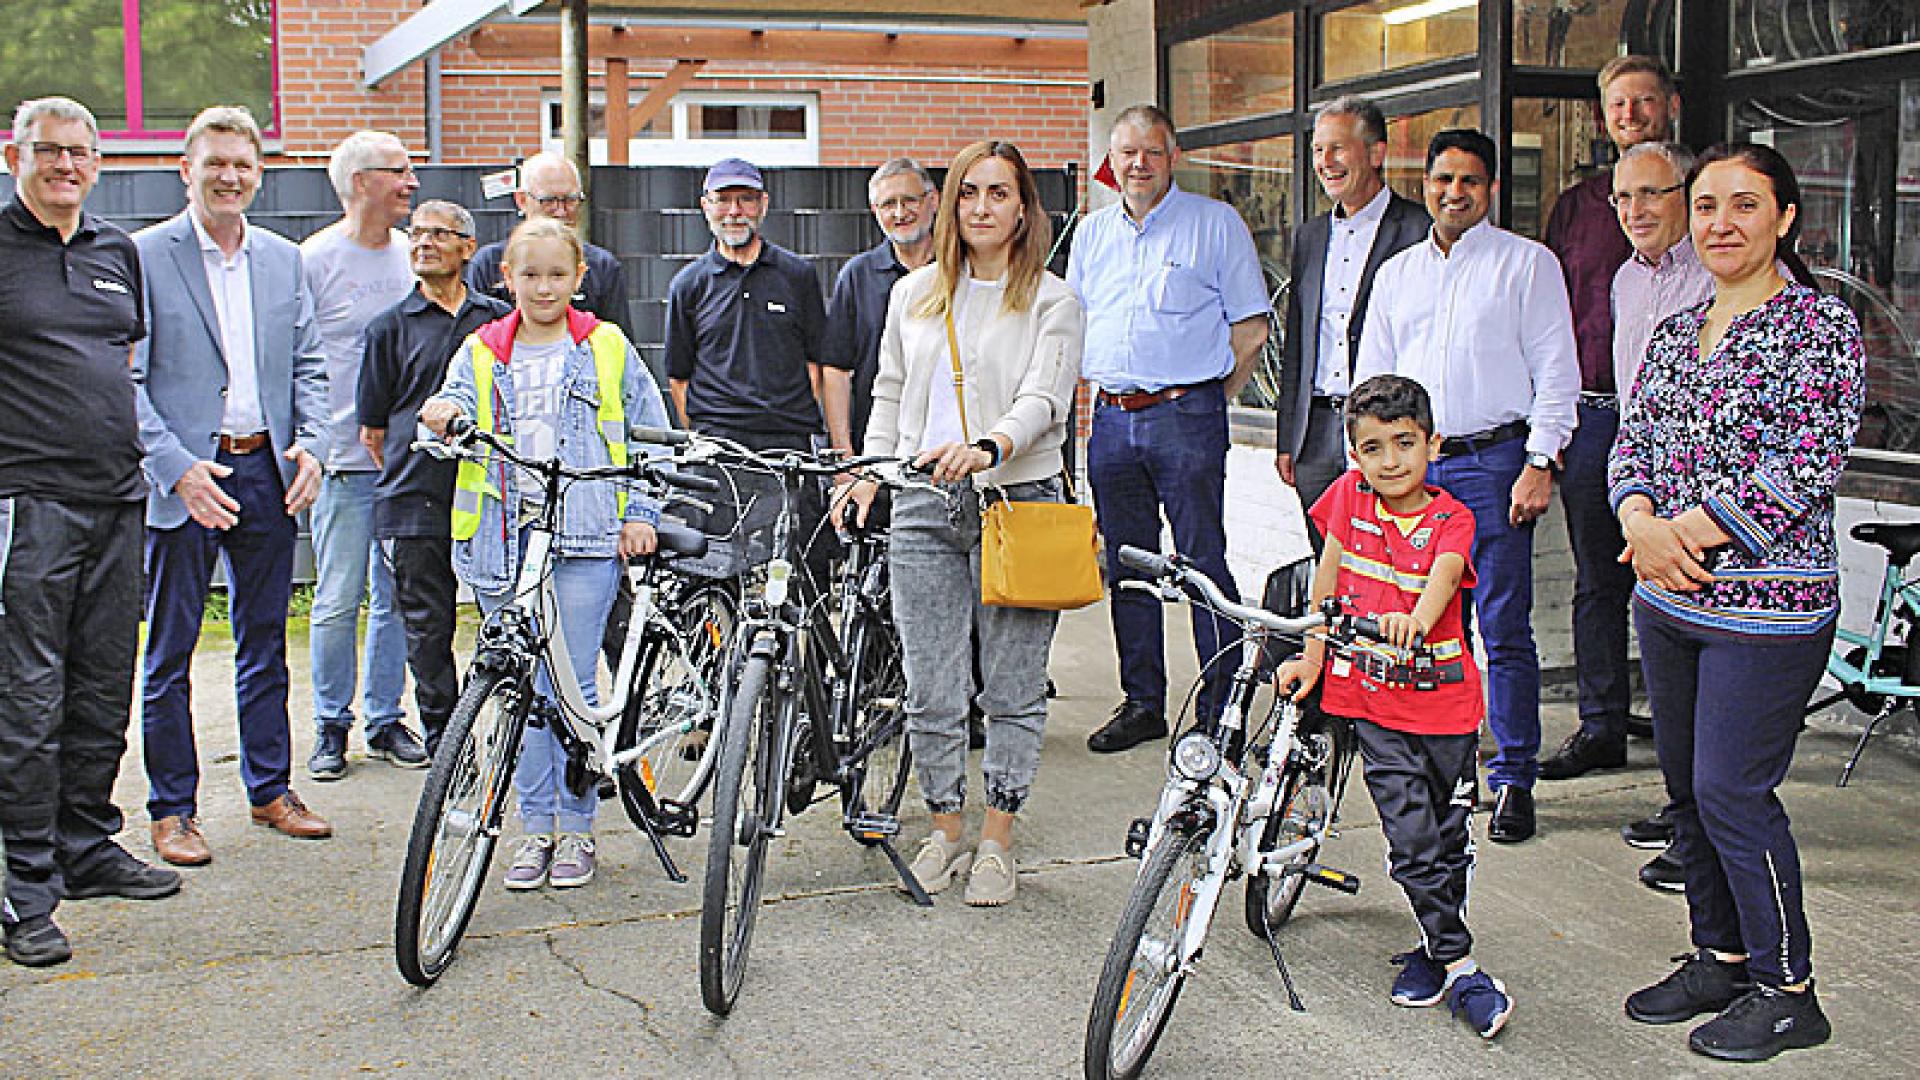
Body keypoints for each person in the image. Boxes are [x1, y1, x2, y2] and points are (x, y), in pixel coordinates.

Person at [1610, 143, 1862, 1063]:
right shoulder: (1678, 331)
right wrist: (1638, 519)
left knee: (1732, 793)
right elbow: (1631, 444)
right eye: (1707, 204)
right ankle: (1719, 956)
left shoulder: (1819, 330)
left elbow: (1803, 465)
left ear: (1784, 218)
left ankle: (1789, 988)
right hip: (1668, 600)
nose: (1719, 222)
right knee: (1684, 794)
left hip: (1769, 608)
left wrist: (1679, 536)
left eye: (1744, 205)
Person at [842, 140, 1082, 907]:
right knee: (930, 682)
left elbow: (1047, 398)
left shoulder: (1052, 299)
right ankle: (945, 826)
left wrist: (990, 447)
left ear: (1022, 208)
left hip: (1018, 501)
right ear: (953, 205)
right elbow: (886, 391)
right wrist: (871, 471)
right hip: (920, 501)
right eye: (970, 192)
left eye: (999, 193)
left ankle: (997, 838)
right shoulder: (913, 294)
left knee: (1011, 686)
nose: (982, 206)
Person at [421, 217, 670, 892]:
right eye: (529, 274)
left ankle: (578, 828)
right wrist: (439, 416)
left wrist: (642, 515)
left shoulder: (607, 347)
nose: (543, 286)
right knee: (522, 692)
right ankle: (535, 828)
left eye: (557, 273)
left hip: (586, 536)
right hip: (503, 543)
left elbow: (650, 436)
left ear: (579, 278)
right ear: (506, 278)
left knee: (572, 690)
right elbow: (449, 408)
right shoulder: (482, 349)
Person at [1354, 129, 1579, 844]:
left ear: (1490, 189)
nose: (1455, 193)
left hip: (1494, 465)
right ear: (1425, 182)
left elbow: (1556, 371)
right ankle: (1446, 769)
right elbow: (1373, 377)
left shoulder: (1527, 265)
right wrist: (1373, 467)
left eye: (1470, 181)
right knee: (1423, 625)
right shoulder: (1397, 275)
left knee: (1503, 629)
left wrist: (1539, 462)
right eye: (1443, 178)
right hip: (1412, 473)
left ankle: (1514, 776)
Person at [1276, 374, 1512, 1039]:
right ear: (1354, 454)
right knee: (1409, 841)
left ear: (1432, 444)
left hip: (1445, 712)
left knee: (1444, 836)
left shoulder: (1451, 518)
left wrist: (1414, 618)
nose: (1390, 461)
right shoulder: (1349, 499)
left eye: (1404, 444)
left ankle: (1434, 951)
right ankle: (1458, 961)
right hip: (1374, 706)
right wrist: (1313, 657)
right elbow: (1330, 575)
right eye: (1373, 447)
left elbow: (1442, 576)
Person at [0, 97, 180, 968]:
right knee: (28, 701)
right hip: (28, 506)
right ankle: (23, 887)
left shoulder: (118, 255)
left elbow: (125, 369)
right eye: (49, 151)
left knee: (102, 687)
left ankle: (86, 846)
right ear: (15, 154)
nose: (65, 165)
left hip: (119, 503)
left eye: (80, 152)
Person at [131, 105, 334, 868]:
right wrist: (176, 468)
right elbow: (129, 380)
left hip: (264, 471)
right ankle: (173, 808)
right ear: (187, 169)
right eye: (215, 163)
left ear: (260, 173)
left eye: (243, 165)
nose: (230, 177)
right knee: (171, 649)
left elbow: (311, 365)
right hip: (186, 475)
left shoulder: (284, 260)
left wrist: (311, 443)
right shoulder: (146, 256)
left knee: (264, 643)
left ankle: (271, 789)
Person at [1070, 104, 1269, 752]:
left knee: (1202, 561)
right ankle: (1143, 702)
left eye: (1151, 152)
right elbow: (1070, 328)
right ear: (1113, 159)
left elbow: (1250, 329)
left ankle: (1222, 710)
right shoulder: (1092, 234)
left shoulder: (1215, 225)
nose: (1137, 164)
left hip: (1186, 415)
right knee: (1127, 567)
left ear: (1172, 156)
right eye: (1126, 152)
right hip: (1110, 419)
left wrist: (1207, 397)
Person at [1538, 56, 1683, 782]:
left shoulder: (1707, 200)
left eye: (1643, 102)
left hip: (1683, 433)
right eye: (1617, 104)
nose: (1628, 114)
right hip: (1597, 416)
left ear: (1670, 106)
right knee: (1600, 580)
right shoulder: (1578, 207)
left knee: (1683, 574)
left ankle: (1684, 741)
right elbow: (1553, 315)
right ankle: (1600, 725)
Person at [357, 200, 510, 758]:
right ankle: (448, 741)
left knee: (508, 620)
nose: (423, 243)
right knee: (427, 625)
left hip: (491, 494)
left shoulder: (498, 323)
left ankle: (515, 732)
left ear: (468, 247)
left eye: (439, 234)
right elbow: (373, 430)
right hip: (414, 496)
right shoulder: (387, 330)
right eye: (416, 234)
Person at [1605, 140, 1715, 894]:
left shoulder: (1718, 279)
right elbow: (1633, 412)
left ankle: (1703, 832)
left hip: (1710, 517)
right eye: (1623, 198)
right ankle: (1685, 812)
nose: (1636, 211)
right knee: (1669, 684)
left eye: (1653, 194)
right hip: (1648, 503)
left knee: (1712, 692)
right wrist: (1636, 507)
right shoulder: (1623, 281)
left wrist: (1674, 525)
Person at [303, 130, 427, 781]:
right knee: (336, 596)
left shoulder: (413, 257)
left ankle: (384, 720)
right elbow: (294, 362)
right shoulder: (315, 260)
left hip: (403, 465)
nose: (411, 182)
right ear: (360, 181)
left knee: (396, 599)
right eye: (399, 172)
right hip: (343, 465)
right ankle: (331, 725)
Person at [664, 157, 837, 588]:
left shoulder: (797, 276)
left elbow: (816, 364)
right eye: (724, 201)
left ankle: (801, 656)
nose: (734, 211)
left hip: (787, 447)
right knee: (712, 577)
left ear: (762, 205)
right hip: (718, 450)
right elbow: (679, 379)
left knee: (804, 576)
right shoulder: (688, 284)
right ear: (706, 206)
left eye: (745, 200)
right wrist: (711, 431)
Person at [1275, 95, 1430, 550]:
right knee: (1329, 561)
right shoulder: (1310, 235)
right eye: (1319, 151)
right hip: (1318, 428)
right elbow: (1298, 343)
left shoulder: (1417, 229)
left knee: (1393, 558)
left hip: (1389, 425)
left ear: (1376, 153)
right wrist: (1289, 436)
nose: (1327, 162)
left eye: (1339, 149)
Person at [822, 157, 938, 457]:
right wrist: (844, 455)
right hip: (875, 450)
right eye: (888, 204)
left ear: (933, 200)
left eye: (909, 200)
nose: (900, 213)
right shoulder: (857, 276)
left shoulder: (961, 271)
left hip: (947, 449)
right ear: (875, 212)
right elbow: (836, 370)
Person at [466, 150, 631, 340]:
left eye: (570, 200)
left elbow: (619, 344)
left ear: (579, 275)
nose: (560, 211)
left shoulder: (603, 267)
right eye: (549, 201)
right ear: (521, 200)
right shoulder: (487, 264)